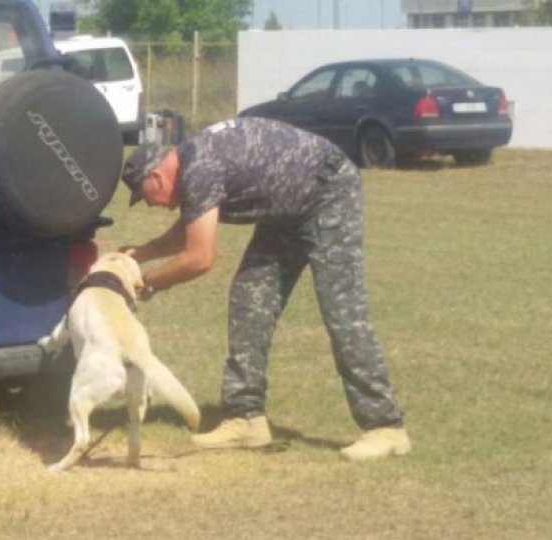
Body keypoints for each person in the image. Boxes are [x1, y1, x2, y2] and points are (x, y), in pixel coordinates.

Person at [119, 117, 410, 461]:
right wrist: (142, 254)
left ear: (157, 176)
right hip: (285, 211)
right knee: (249, 300)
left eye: (146, 196)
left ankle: (385, 427)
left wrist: (149, 282)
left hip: (328, 194)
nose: (153, 205)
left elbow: (199, 257)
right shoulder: (193, 162)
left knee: (343, 312)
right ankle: (246, 419)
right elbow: (190, 226)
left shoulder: (200, 168)